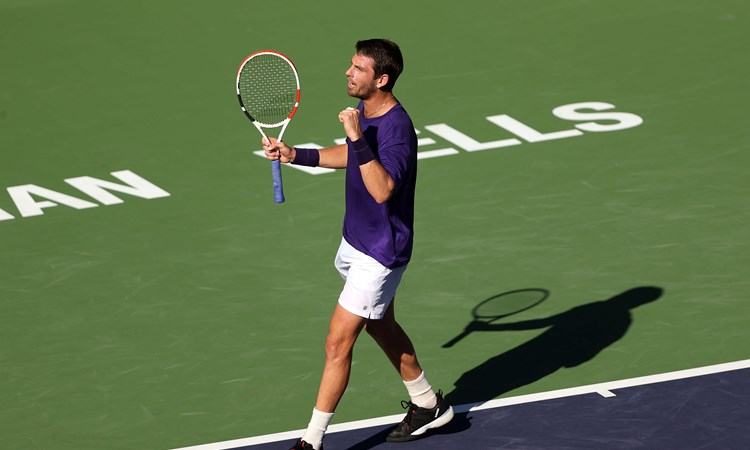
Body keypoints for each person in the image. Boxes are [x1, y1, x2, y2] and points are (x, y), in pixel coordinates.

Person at [262, 39, 454, 450]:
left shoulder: (397, 128)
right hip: (356, 240)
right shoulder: (366, 112)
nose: (348, 73)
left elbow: (383, 189)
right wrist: (294, 154)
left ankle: (311, 442)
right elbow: (351, 156)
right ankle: (427, 403)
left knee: (337, 341)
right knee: (380, 324)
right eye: (350, 66)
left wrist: (356, 135)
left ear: (381, 79)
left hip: (381, 252)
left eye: (358, 69)